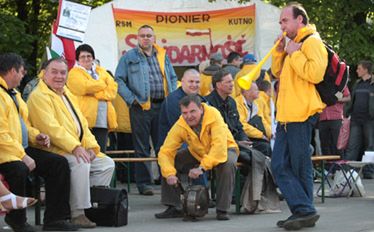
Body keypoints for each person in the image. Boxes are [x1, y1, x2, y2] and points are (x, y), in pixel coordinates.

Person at [27, 57, 115, 228]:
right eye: (54, 72)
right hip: (54, 149)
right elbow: (52, 129)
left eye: (63, 72)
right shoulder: (38, 96)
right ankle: (77, 213)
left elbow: (83, 125)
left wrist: (91, 147)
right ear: (44, 74)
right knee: (81, 163)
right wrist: (75, 147)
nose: (59, 76)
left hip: (74, 147)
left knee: (106, 164)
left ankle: (85, 204)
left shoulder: (67, 93)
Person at [0, 53, 77, 231]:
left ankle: (55, 219)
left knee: (58, 163)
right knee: (19, 168)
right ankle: (17, 221)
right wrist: (22, 155)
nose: (23, 74)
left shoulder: (14, 94)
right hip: (5, 151)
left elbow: (23, 126)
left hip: (20, 148)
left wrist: (37, 136)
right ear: (12, 71)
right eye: (21, 71)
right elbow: (2, 134)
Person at [270, 2, 328, 230]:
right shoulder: (291, 45)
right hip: (287, 115)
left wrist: (294, 54)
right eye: (280, 21)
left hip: (302, 113)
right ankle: (303, 211)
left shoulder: (312, 42)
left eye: (285, 20)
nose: (281, 25)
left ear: (299, 20)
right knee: (284, 165)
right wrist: (280, 52)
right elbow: (276, 73)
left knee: (294, 165)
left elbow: (315, 74)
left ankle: (304, 210)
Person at [115, 25, 177, 195]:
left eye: (149, 35)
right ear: (137, 38)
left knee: (163, 145)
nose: (146, 38)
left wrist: (171, 97)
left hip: (163, 105)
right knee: (141, 147)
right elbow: (118, 80)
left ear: (154, 37)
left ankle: (165, 180)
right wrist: (131, 99)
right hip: (140, 107)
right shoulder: (129, 57)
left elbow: (172, 76)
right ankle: (144, 184)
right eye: (142, 35)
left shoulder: (162, 55)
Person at [155, 95, 238, 220]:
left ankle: (222, 209)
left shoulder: (214, 115)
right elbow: (165, 151)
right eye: (185, 113)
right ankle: (174, 206)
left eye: (192, 111)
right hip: (198, 152)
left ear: (201, 108)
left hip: (225, 149)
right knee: (173, 160)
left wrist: (202, 168)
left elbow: (219, 147)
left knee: (227, 165)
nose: (189, 116)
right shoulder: (181, 124)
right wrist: (169, 173)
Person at [206, 70, 271, 157]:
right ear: (218, 85)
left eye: (232, 81)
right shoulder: (208, 103)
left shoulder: (231, 102)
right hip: (223, 144)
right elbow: (214, 133)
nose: (232, 84)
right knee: (249, 155)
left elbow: (238, 125)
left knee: (264, 146)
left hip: (238, 140)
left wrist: (244, 139)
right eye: (228, 82)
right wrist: (237, 143)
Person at [67, 44, 118, 153]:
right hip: (84, 118)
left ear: (93, 58)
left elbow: (113, 89)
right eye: (82, 56)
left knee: (101, 151)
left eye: (89, 56)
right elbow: (83, 87)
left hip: (103, 118)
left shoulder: (102, 71)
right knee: (86, 152)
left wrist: (95, 93)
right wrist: (101, 84)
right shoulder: (73, 73)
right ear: (77, 59)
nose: (86, 59)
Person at [345, 60, 374, 179]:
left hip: (370, 120)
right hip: (356, 119)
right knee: (352, 145)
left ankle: (369, 171)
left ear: (366, 70)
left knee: (370, 146)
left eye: (359, 69)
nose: (357, 71)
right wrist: (347, 113)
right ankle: (348, 172)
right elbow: (352, 100)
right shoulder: (357, 83)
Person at [235, 82, 272, 153]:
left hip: (254, 136)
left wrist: (271, 134)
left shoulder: (255, 104)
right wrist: (261, 135)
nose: (258, 92)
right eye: (256, 89)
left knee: (268, 145)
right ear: (246, 92)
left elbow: (262, 121)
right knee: (265, 146)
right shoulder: (237, 103)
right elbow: (243, 125)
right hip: (243, 137)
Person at [319, 86, 350, 156]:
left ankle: (340, 165)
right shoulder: (320, 84)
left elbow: (348, 97)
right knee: (324, 145)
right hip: (322, 118)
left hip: (336, 117)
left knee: (338, 144)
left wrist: (337, 99)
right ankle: (327, 165)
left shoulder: (340, 84)